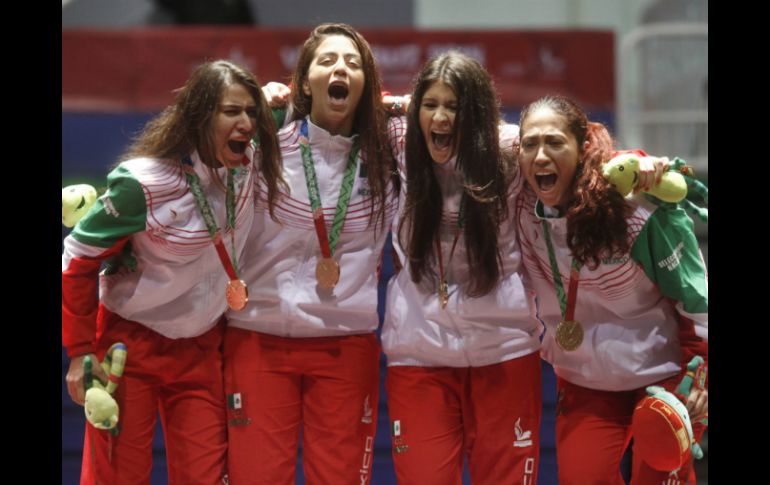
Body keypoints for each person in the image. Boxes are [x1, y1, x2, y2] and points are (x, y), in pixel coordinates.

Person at [62, 59, 282, 485]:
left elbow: (310, 99)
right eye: (231, 111)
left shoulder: (250, 157)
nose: (246, 123)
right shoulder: (142, 183)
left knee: (206, 477)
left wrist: (277, 96)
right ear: (199, 116)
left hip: (201, 346)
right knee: (117, 478)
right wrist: (79, 351)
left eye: (251, 112)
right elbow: (77, 257)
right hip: (129, 346)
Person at [222, 23, 398, 485]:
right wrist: (256, 105)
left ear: (367, 85)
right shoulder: (263, 149)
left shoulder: (390, 157)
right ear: (303, 82)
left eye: (353, 63)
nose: (341, 68)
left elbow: (459, 121)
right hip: (258, 336)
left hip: (346, 343)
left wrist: (403, 104)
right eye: (327, 61)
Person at [514, 95, 708, 484]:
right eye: (529, 144)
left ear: (583, 146)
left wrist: (701, 374)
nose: (540, 156)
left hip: (664, 375)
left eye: (554, 142)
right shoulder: (520, 208)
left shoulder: (632, 211)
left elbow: (694, 300)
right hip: (585, 381)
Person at [380, 51, 544, 485]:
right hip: (419, 351)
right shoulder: (400, 138)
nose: (440, 117)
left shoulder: (512, 149)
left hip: (504, 349)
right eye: (431, 104)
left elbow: (583, 147)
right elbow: (339, 109)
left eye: (453, 106)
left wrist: (641, 162)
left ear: (477, 113)